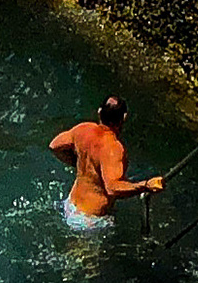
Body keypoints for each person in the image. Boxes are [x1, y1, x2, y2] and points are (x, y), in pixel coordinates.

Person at [48, 96, 163, 233]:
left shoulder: (83, 129)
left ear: (99, 112)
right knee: (81, 254)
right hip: (90, 219)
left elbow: (54, 145)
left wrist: (79, 163)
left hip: (70, 205)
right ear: (124, 118)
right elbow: (112, 188)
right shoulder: (113, 148)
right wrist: (146, 185)